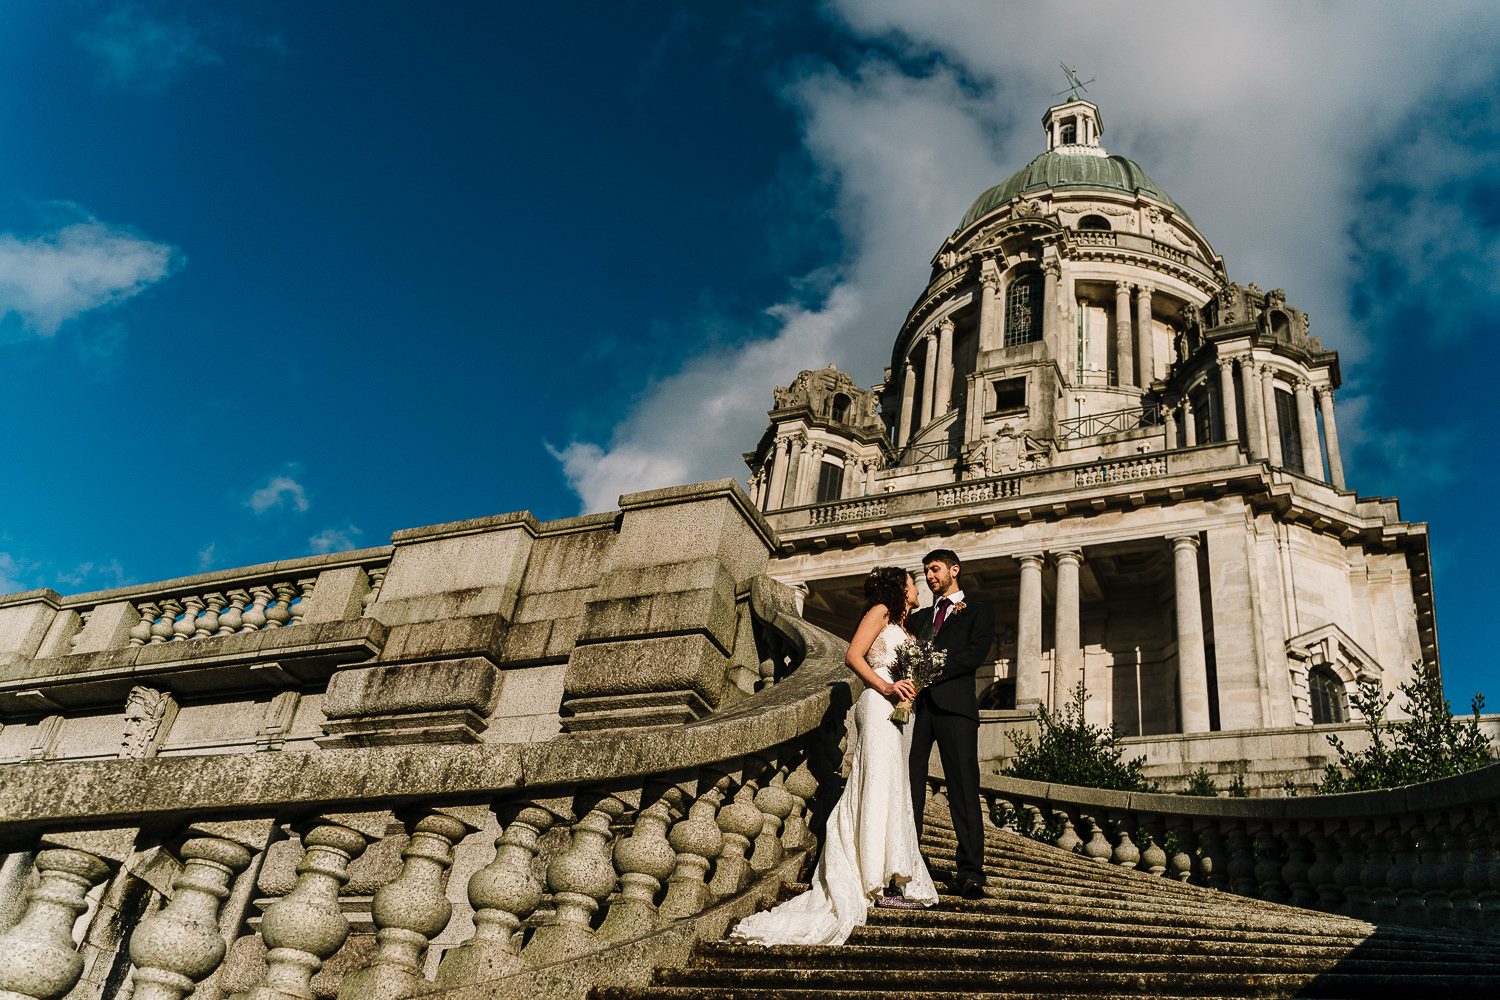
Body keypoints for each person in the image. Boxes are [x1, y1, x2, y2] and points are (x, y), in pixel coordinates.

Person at [730, 566, 938, 947]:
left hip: (899, 713)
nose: (917, 588)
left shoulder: (907, 628)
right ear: (900, 589)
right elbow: (853, 656)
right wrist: (888, 685)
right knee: (875, 784)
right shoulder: (879, 611)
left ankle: (892, 877)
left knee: (893, 788)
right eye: (913, 583)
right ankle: (872, 881)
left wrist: (910, 688)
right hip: (877, 706)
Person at [907, 548, 996, 899]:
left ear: (953, 570)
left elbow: (974, 655)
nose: (929, 577)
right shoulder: (919, 617)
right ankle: (908, 857)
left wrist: (928, 670)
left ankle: (971, 869)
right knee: (910, 783)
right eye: (926, 571)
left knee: (963, 787)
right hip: (917, 709)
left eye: (935, 569)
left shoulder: (979, 611)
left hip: (956, 708)